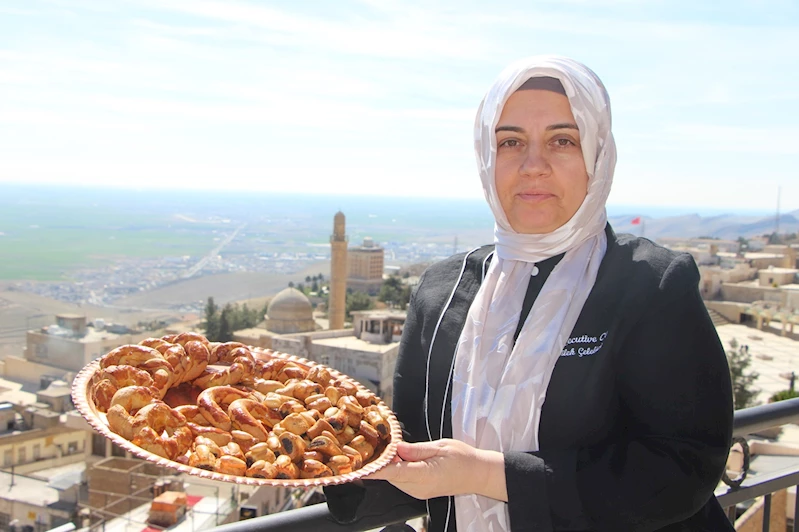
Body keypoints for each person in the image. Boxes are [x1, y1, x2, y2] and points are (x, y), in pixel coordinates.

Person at [324, 55, 734, 532]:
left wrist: (485, 474)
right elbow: (416, 457)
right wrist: (327, 453)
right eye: (511, 142)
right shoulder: (441, 293)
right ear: (487, 157)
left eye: (563, 141)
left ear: (596, 156)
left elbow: (682, 469)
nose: (533, 166)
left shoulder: (651, 285)